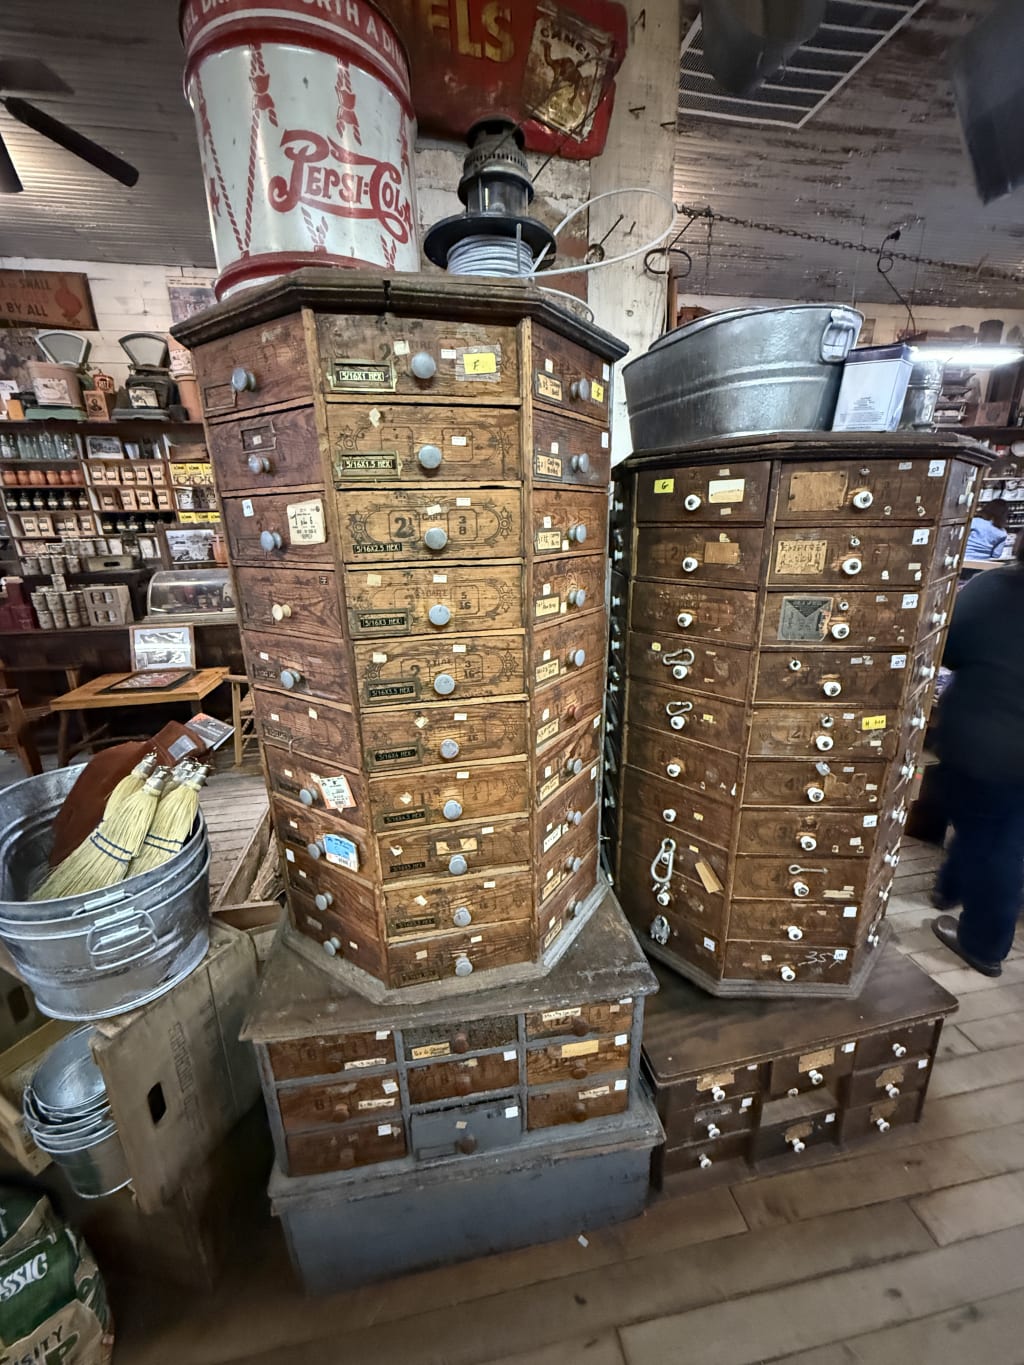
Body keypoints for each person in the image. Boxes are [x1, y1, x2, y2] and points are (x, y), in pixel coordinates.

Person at [931, 533, 1024, 976]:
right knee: (989, 828)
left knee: (996, 841)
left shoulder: (998, 589)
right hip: (999, 750)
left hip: (987, 743)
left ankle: (983, 944)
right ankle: (948, 887)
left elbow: (947, 647)